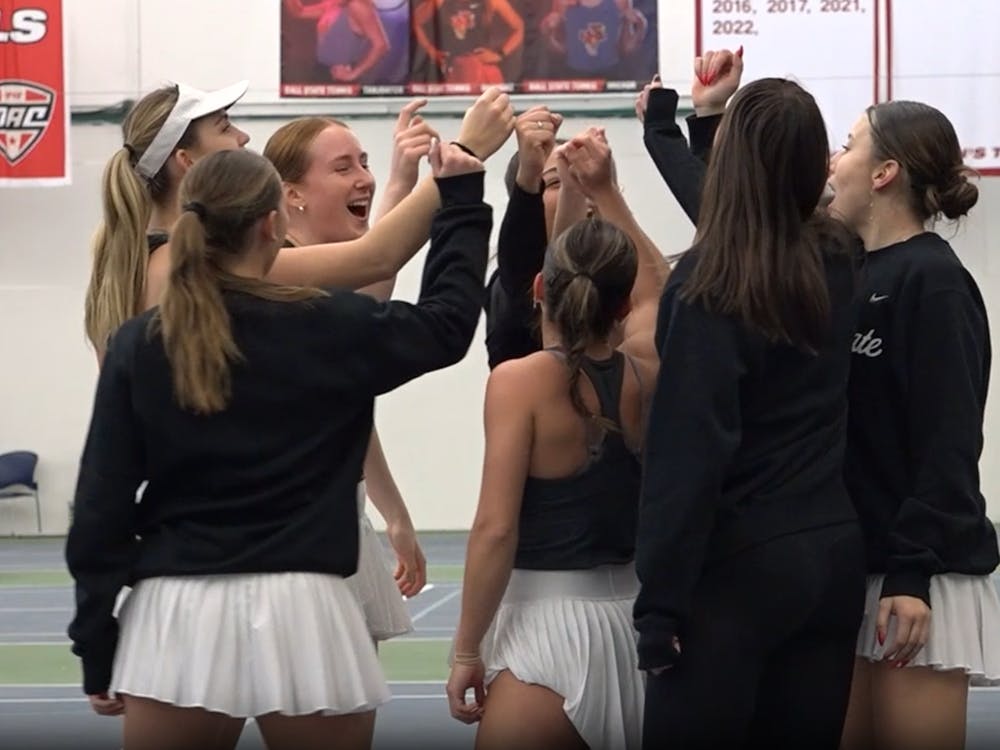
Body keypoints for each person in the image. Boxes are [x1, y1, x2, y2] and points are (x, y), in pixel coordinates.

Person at [66, 143, 492, 749]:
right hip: (307, 607)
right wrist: (462, 201)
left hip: (177, 612)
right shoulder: (332, 324)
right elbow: (447, 325)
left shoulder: (141, 344)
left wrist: (96, 640)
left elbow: (101, 509)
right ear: (274, 224)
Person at [635, 78, 866, 749]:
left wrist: (659, 604)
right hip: (829, 558)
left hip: (739, 568)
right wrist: (683, 128)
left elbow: (687, 452)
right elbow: (746, 214)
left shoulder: (710, 283)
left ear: (732, 163)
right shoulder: (838, 259)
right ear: (811, 165)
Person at [446, 128, 669, 750]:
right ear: (623, 304)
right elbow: (659, 287)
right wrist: (603, 190)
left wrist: (467, 647)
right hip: (632, 621)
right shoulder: (647, 368)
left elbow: (495, 527)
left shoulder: (517, 383)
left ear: (540, 291)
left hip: (545, 628)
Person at [827, 100, 1000, 750]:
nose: (832, 163)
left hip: (917, 579)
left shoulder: (934, 282)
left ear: (884, 172)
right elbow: (736, 223)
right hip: (853, 568)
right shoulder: (845, 271)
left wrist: (909, 573)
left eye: (847, 146)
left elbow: (948, 442)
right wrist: (698, 123)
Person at [263, 102, 440, 640]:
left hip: (337, 513)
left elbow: (348, 401)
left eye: (364, 162)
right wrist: (448, 173)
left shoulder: (322, 268)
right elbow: (376, 270)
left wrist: (393, 512)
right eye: (344, 168)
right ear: (291, 193)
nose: (363, 176)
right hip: (288, 533)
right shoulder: (278, 278)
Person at [411, 0, 524, 85]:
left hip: (480, 66)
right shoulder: (440, 1)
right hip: (452, 68)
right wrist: (431, 51)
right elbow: (416, 21)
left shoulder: (491, 2)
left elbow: (519, 27)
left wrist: (500, 54)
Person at [283, 0, 393, 84]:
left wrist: (353, 74)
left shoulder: (358, 5)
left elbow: (381, 45)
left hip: (340, 77)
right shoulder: (333, 4)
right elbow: (298, 12)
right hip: (322, 71)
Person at [540, 0, 649, 80]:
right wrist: (546, 29)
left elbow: (628, 47)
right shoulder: (563, 3)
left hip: (612, 73)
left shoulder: (619, 2)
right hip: (573, 74)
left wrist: (641, 25)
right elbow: (557, 47)